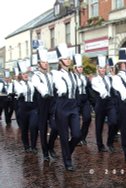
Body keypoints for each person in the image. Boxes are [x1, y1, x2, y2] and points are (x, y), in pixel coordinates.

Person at [53, 43, 81, 171]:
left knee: (76, 135)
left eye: (69, 59)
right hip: (62, 105)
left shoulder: (73, 75)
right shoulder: (56, 73)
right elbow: (59, 86)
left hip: (73, 105)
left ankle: (67, 153)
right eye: (65, 59)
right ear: (60, 61)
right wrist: (62, 89)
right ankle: (67, 162)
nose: (68, 60)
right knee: (64, 135)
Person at [31, 47, 58, 161]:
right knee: (43, 129)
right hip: (42, 103)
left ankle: (50, 146)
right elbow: (39, 86)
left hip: (52, 103)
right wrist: (45, 92)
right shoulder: (36, 76)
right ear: (38, 64)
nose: (46, 64)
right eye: (43, 62)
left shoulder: (51, 75)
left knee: (56, 127)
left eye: (47, 62)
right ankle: (45, 152)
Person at [91, 55, 117, 152]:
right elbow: (99, 89)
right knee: (99, 125)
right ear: (98, 69)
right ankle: (100, 145)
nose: (103, 70)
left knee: (114, 121)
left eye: (104, 68)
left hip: (109, 102)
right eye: (101, 68)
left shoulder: (109, 78)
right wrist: (104, 93)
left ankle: (110, 143)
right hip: (100, 102)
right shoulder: (95, 79)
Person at [15, 60, 39, 154]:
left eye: (26, 73)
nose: (25, 75)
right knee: (24, 128)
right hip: (23, 107)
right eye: (23, 74)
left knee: (34, 126)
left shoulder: (31, 82)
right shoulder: (17, 83)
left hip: (33, 107)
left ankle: (33, 146)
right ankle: (26, 146)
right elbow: (19, 91)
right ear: (20, 75)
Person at [73, 54, 92, 145]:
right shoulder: (71, 77)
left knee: (87, 118)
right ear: (75, 68)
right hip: (76, 100)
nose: (81, 69)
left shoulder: (85, 77)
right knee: (75, 120)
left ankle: (82, 137)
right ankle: (75, 137)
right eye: (79, 67)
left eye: (81, 67)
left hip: (85, 99)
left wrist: (92, 102)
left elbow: (89, 89)